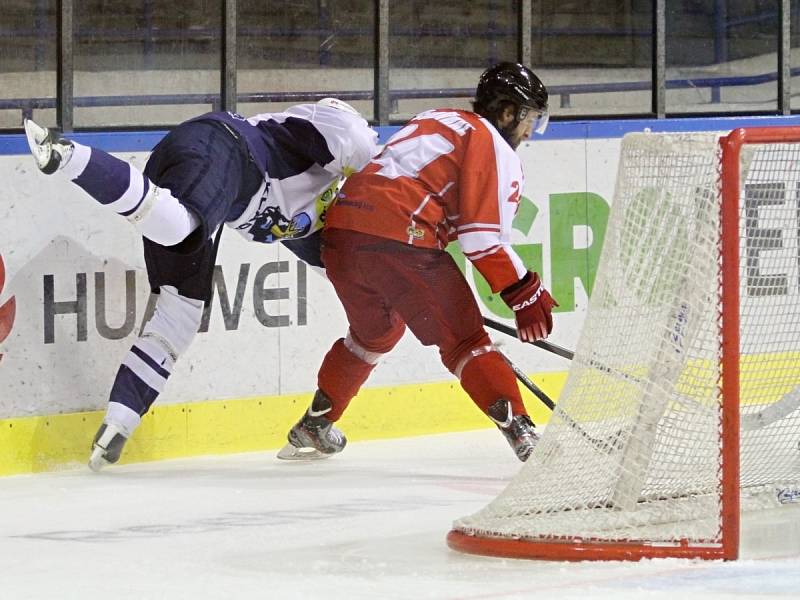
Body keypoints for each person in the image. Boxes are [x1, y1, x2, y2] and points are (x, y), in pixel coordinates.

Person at [24, 98, 379, 470]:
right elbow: (356, 138)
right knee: (182, 230)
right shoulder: (351, 147)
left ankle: (116, 427)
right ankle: (68, 154)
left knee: (180, 313)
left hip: (199, 183)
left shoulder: (324, 235)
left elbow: (367, 286)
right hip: (224, 146)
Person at [279, 62, 557, 463]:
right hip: (400, 238)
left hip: (341, 236)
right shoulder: (490, 142)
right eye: (530, 118)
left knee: (375, 334)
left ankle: (314, 424)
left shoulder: (435, 118)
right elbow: (483, 239)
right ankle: (526, 438)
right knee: (465, 342)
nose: (531, 131)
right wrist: (524, 294)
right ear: (509, 112)